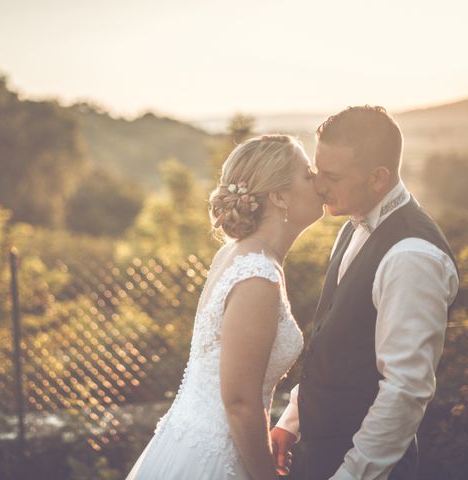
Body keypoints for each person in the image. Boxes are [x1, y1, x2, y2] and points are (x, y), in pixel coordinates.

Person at [270, 106, 459, 480]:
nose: (319, 186)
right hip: (315, 455)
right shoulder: (351, 226)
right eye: (317, 171)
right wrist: (292, 421)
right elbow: (333, 346)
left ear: (378, 178)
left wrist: (351, 474)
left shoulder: (412, 257)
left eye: (332, 176)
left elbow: (405, 390)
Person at [126, 135, 324, 479]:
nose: (318, 180)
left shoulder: (239, 255)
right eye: (308, 174)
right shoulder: (257, 276)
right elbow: (240, 403)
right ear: (278, 196)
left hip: (190, 440)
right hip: (217, 459)